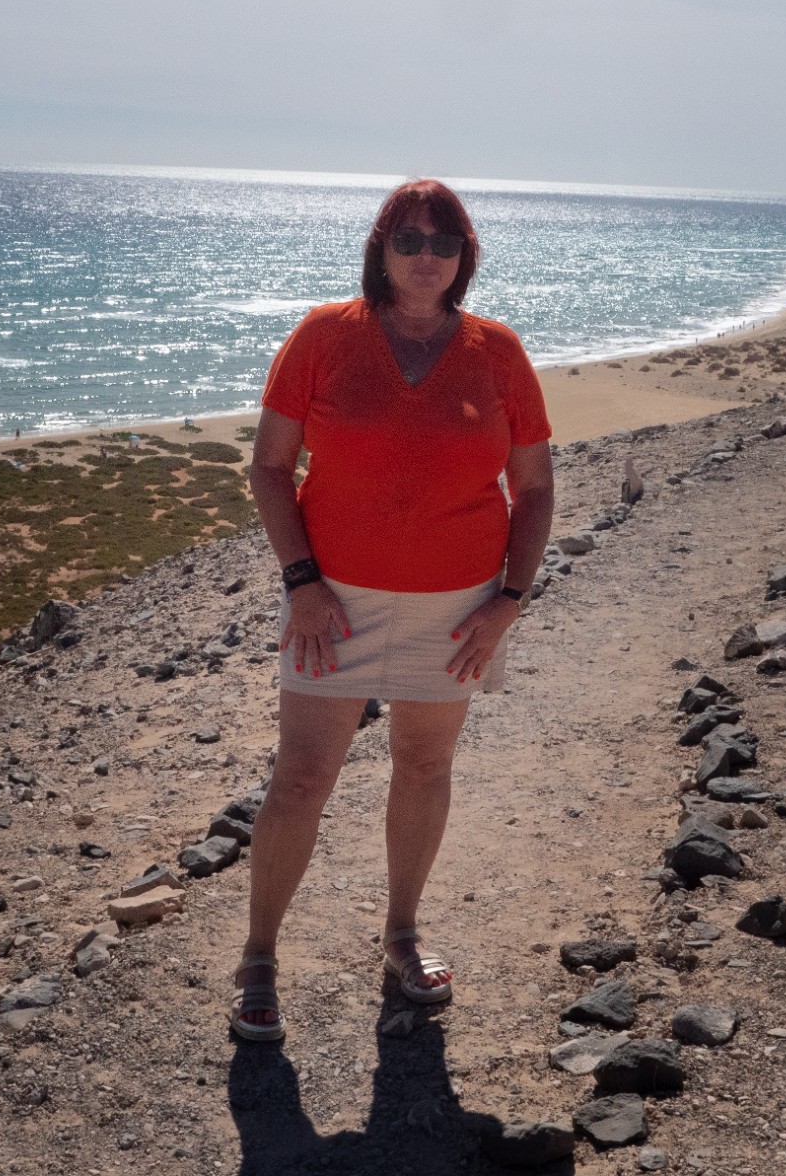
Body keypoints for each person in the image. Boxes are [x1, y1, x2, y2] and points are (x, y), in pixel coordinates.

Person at [230, 178, 553, 1042]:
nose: (425, 257)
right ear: (381, 249)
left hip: (458, 609)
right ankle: (259, 956)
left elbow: (534, 488)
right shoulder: (324, 335)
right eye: (407, 239)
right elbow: (269, 467)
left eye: (443, 242)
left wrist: (508, 603)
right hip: (331, 604)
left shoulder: (498, 351)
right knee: (303, 777)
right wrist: (301, 582)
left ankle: (402, 934)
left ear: (464, 256)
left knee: (424, 766)